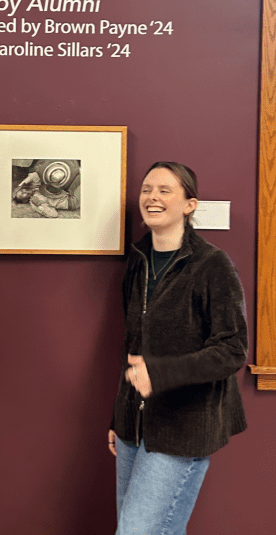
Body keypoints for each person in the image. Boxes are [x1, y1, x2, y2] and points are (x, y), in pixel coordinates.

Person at [108, 162, 247, 535]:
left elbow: (233, 349)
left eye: (164, 190)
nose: (152, 197)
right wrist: (118, 419)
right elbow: (131, 345)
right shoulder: (137, 261)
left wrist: (163, 373)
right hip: (133, 426)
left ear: (190, 204)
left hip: (184, 425)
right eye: (146, 189)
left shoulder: (213, 265)